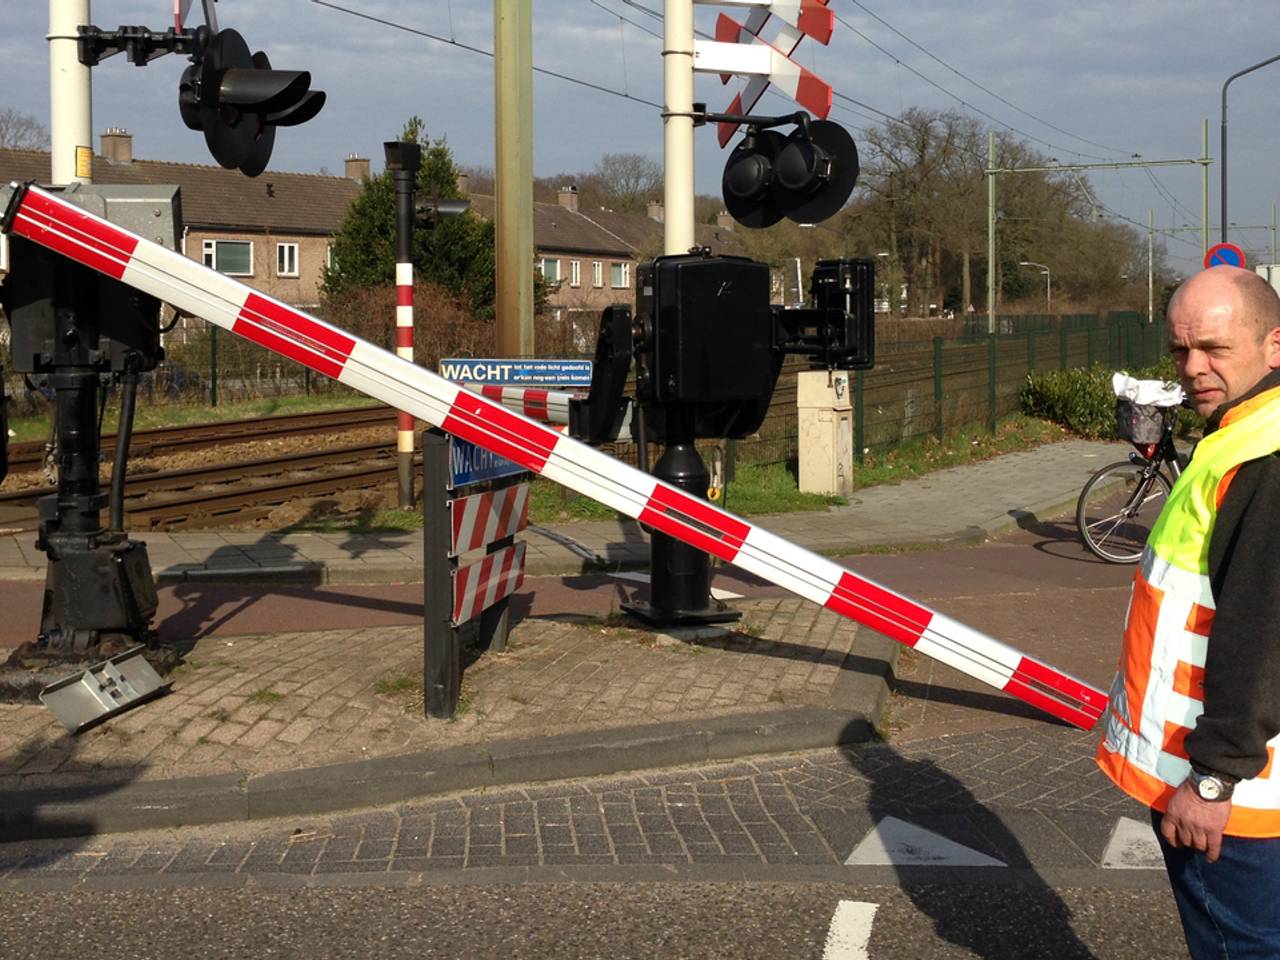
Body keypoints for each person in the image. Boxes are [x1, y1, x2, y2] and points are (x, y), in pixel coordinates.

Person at [1097, 265, 1280, 959]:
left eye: (1214, 349)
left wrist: (1211, 778)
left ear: (1274, 346)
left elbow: (1263, 632)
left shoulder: (1263, 458)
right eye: (1180, 351)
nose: (1193, 369)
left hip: (1231, 796)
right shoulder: (1244, 432)